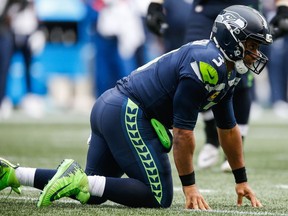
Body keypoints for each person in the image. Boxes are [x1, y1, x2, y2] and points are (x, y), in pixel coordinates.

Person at [0, 5, 272, 209]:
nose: (256, 53)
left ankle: (13, 174)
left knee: (94, 192)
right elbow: (183, 134)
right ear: (231, 39)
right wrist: (189, 187)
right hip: (128, 110)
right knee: (158, 196)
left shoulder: (226, 68)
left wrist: (241, 179)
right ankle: (77, 179)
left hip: (114, 106)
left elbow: (228, 128)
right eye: (251, 45)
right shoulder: (207, 65)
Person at [146, 0, 288, 172]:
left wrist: (283, 6)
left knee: (241, 74)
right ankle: (212, 136)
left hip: (245, 5)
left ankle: (236, 147)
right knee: (197, 66)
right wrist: (155, 4)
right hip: (205, 8)